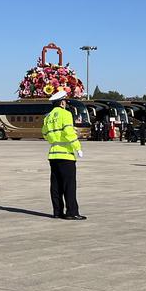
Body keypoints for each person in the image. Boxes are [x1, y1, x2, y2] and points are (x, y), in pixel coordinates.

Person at [42, 91, 84, 219]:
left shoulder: (48, 117)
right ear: (62, 102)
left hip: (53, 154)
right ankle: (72, 212)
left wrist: (54, 140)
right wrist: (78, 147)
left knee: (56, 185)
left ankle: (57, 212)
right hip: (66, 155)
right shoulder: (65, 114)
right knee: (69, 185)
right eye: (65, 101)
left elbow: (44, 134)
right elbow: (68, 132)